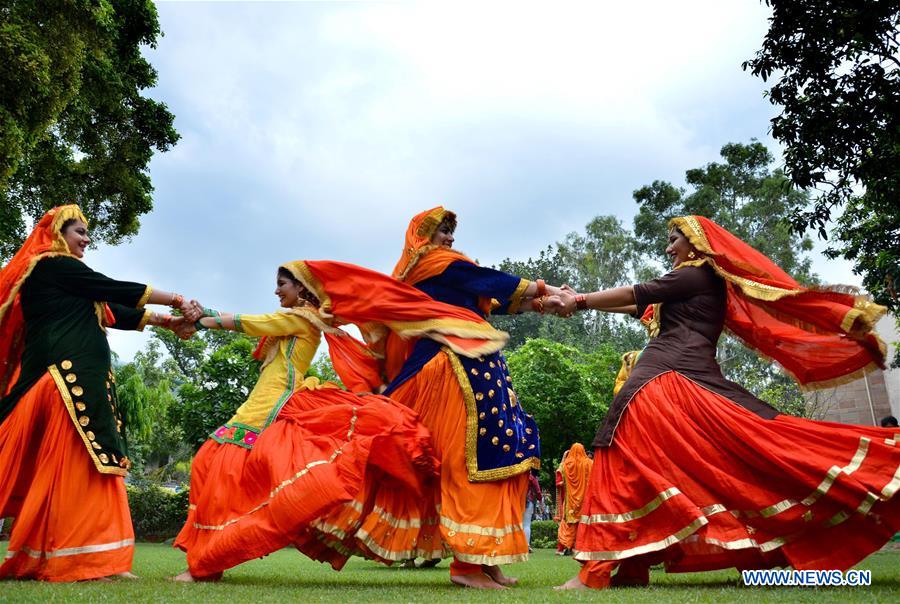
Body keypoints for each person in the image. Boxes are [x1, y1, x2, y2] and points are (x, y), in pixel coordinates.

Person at [554, 215, 897, 590]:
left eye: (674, 240)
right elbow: (640, 307)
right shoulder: (695, 285)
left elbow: (638, 293)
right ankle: (631, 566)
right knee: (655, 462)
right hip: (674, 378)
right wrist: (574, 299)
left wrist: (580, 301)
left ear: (696, 243)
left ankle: (598, 571)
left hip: (665, 379)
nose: (668, 248)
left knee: (625, 454)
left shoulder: (696, 274)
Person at [173, 261, 443, 581]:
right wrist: (198, 314)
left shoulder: (301, 319)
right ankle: (208, 560)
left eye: (282, 284)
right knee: (210, 465)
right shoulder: (295, 319)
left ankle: (207, 564)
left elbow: (252, 323)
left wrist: (202, 320)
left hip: (273, 404)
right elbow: (254, 322)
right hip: (263, 402)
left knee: (224, 471)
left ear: (300, 287)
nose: (276, 290)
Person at [371, 206, 568, 589]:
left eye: (451, 232)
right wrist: (548, 291)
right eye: (442, 230)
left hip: (475, 365)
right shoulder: (436, 264)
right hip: (456, 370)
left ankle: (486, 560)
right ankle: (467, 566)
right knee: (471, 460)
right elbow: (490, 281)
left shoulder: (446, 276)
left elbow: (492, 299)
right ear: (422, 237)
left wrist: (542, 303)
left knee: (495, 455)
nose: (450, 238)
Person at [0, 205, 198, 582]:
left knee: (85, 465)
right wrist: (176, 299)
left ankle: (82, 557)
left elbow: (113, 309)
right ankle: (84, 561)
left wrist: (169, 322)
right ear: (58, 234)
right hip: (65, 382)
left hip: (74, 381)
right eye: (79, 232)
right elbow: (112, 288)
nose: (86, 239)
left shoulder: (66, 282)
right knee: (82, 464)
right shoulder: (52, 264)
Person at [554, 444, 592, 556]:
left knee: (569, 524)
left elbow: (559, 477)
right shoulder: (589, 463)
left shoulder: (565, 465)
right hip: (585, 501)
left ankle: (567, 545)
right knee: (584, 523)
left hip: (570, 502)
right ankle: (581, 546)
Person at [523, 472, 542, 552]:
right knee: (527, 524)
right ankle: (526, 545)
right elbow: (538, 490)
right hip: (528, 501)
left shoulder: (516, 475)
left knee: (517, 524)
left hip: (516, 501)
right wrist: (540, 499)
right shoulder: (531, 477)